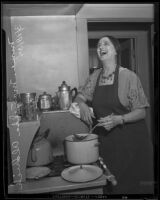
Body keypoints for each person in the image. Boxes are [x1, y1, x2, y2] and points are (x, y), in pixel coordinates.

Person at [74, 36, 154, 194]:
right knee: (110, 185)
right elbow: (80, 96)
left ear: (116, 50)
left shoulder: (128, 77)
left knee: (129, 187)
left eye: (106, 43)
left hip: (130, 143)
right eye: (98, 44)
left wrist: (120, 119)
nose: (100, 46)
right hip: (107, 142)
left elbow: (141, 112)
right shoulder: (95, 76)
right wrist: (82, 103)